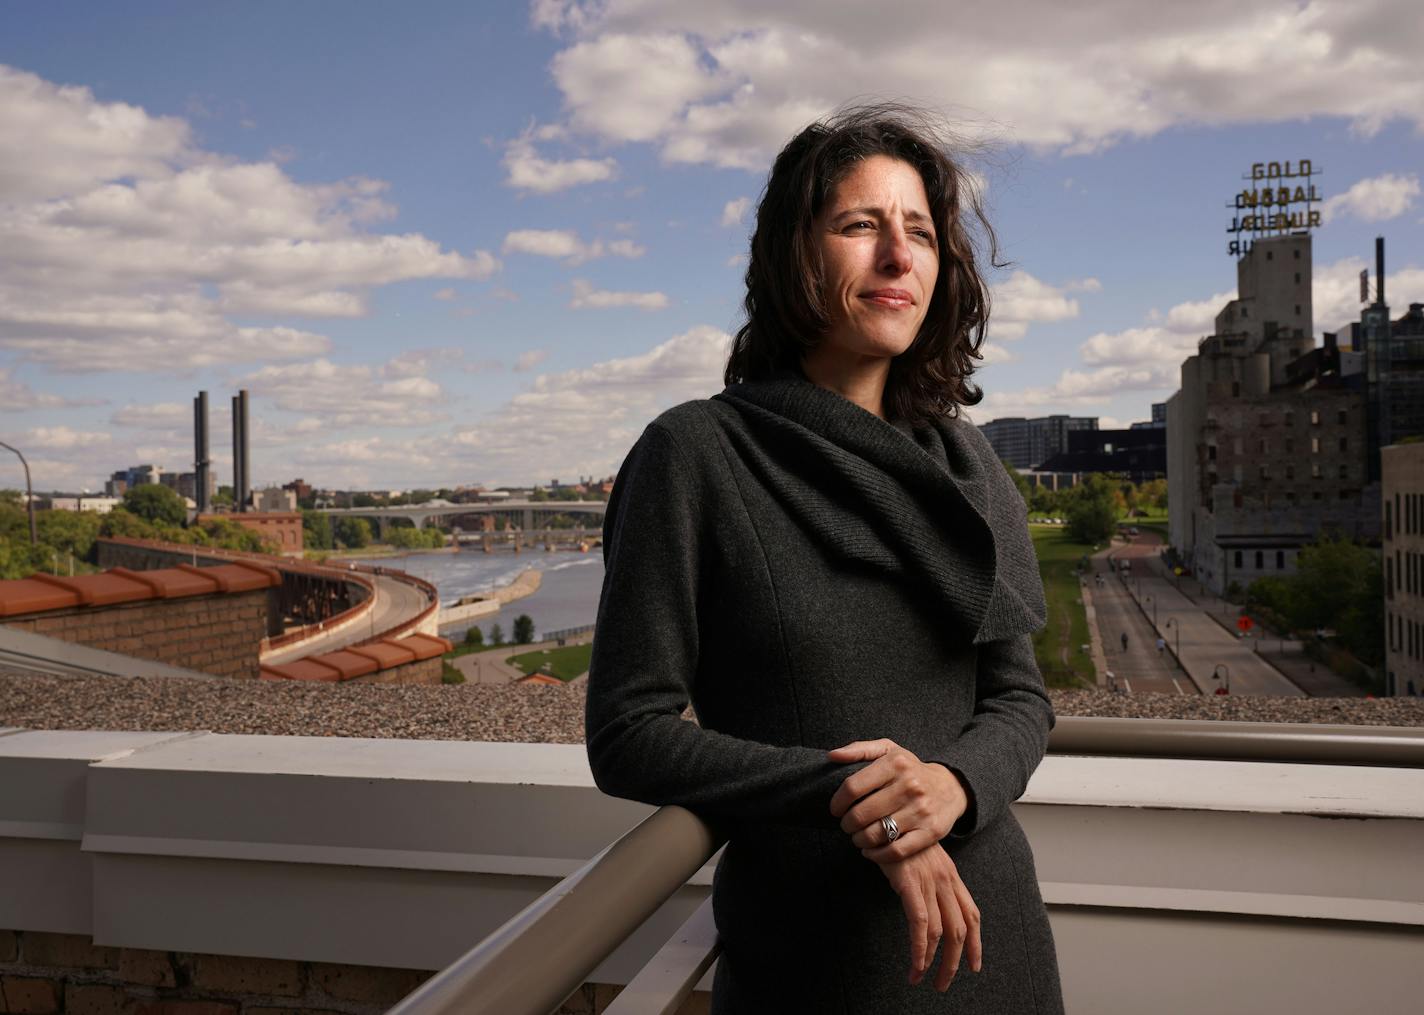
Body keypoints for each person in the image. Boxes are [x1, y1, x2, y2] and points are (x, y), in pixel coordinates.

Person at [586, 103, 1063, 1013]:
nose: (898, 258)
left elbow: (1019, 696)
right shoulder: (694, 455)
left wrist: (952, 787)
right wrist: (863, 795)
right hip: (818, 961)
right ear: (792, 253)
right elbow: (627, 731)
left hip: (996, 937)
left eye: (919, 233)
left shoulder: (971, 464)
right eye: (860, 226)